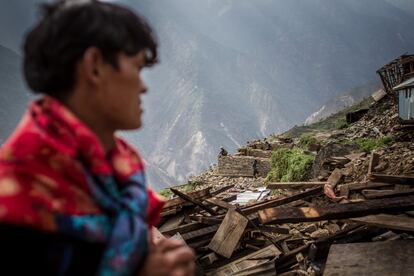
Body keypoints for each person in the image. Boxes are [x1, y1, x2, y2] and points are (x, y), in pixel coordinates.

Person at [0, 0, 195, 275]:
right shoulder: (16, 194)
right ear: (94, 66)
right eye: (137, 68)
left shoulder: (116, 173)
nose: (142, 87)